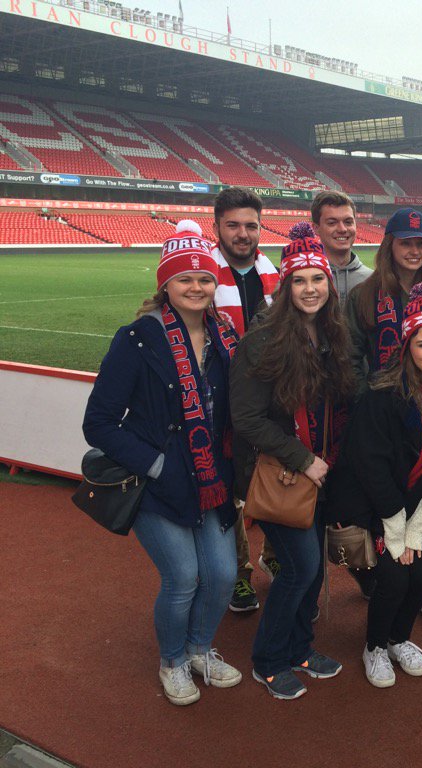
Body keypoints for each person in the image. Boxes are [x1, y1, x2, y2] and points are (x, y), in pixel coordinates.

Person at [83, 226, 242, 706]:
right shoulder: (137, 339)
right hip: (159, 481)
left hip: (213, 478)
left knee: (221, 575)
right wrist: (155, 465)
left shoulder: (226, 338)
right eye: (185, 280)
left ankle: (199, 649)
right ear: (165, 286)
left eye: (205, 279)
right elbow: (99, 423)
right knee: (183, 577)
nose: (196, 287)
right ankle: (172, 660)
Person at [230, 234, 353, 700]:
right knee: (299, 568)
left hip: (319, 473)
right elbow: (246, 418)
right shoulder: (263, 341)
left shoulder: (329, 333)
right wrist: (303, 459)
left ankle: (300, 648)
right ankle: (268, 658)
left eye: (317, 278)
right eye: (298, 280)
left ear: (329, 283)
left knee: (314, 569)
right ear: (284, 288)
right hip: (280, 473)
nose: (309, 289)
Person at [333, 285, 422, 687]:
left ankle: (399, 638)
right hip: (380, 504)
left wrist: (419, 520)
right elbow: (370, 466)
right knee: (392, 579)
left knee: (421, 578)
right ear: (407, 346)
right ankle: (374, 646)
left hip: (421, 504)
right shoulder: (381, 396)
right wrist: (395, 524)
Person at [346, 207, 422, 625]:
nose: (413, 250)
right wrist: (372, 406)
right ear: (388, 244)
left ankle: (421, 584)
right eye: (405, 241)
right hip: (383, 419)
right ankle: (389, 581)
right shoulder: (364, 292)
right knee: (386, 503)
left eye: (420, 243)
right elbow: (351, 356)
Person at [206, 187, 281, 614]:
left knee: (272, 475)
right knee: (229, 491)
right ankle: (238, 572)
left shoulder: (274, 272)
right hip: (220, 401)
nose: (243, 234)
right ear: (217, 227)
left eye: (251, 225)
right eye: (233, 225)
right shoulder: (204, 272)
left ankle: (273, 552)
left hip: (270, 400)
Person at [310, 190, 372, 304]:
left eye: (348, 222)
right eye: (332, 223)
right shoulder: (304, 281)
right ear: (316, 228)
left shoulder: (373, 280)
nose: (342, 229)